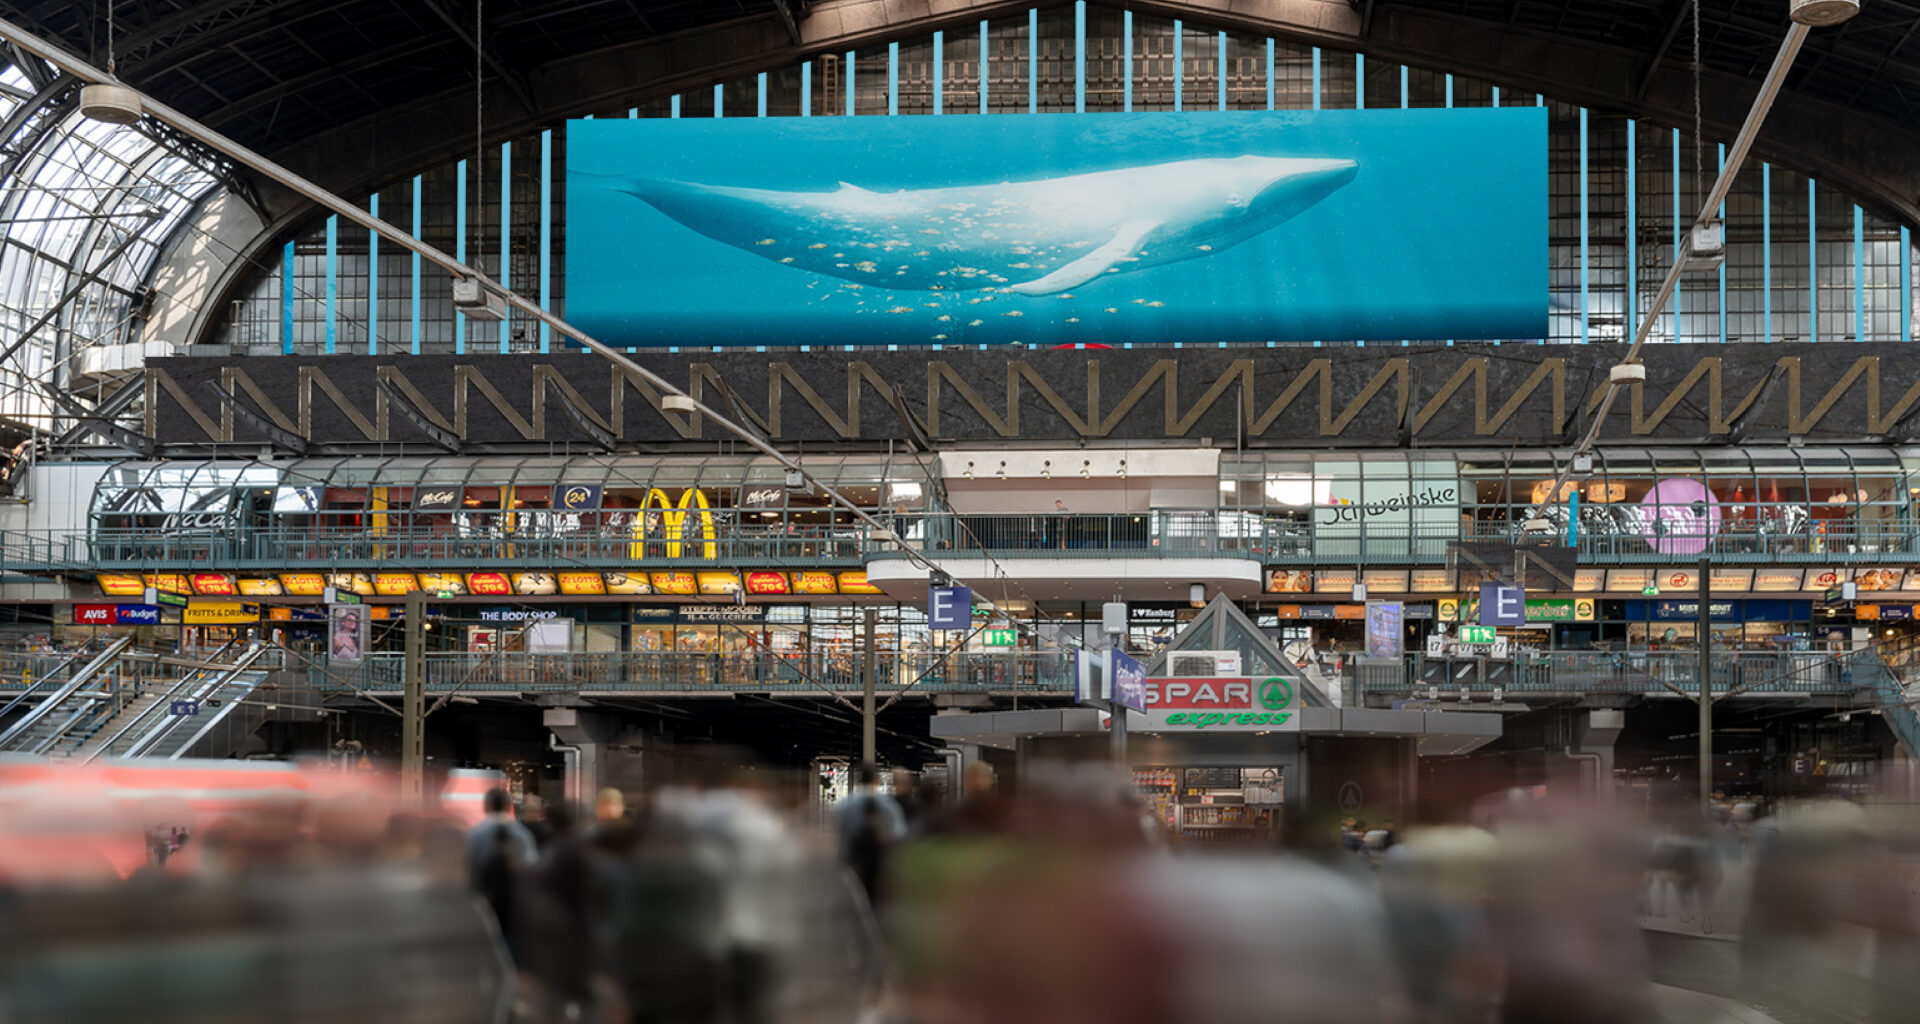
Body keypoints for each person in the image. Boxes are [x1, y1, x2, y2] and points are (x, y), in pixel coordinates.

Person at [466, 789, 537, 961]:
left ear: (487, 806)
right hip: (516, 899)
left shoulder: (474, 834)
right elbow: (531, 866)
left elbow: (469, 867)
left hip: (485, 899)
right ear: (508, 806)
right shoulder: (522, 834)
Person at [833, 765, 907, 909]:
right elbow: (898, 834)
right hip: (882, 862)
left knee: (855, 898)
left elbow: (838, 834)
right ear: (876, 781)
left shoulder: (844, 805)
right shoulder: (889, 805)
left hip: (852, 860)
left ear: (858, 781)